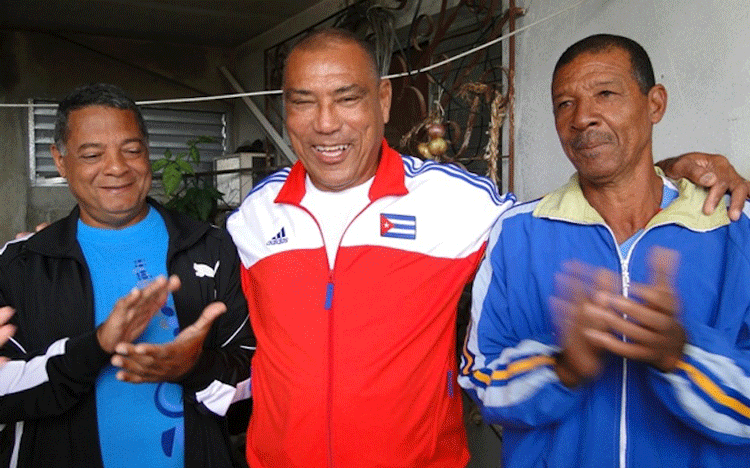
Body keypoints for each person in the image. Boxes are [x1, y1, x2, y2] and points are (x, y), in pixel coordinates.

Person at [226, 28, 749, 468]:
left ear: (382, 101)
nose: (325, 123)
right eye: (303, 101)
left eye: (346, 97)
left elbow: (611, 178)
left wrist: (675, 168)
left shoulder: (465, 204)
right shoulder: (253, 216)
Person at [459, 34, 750, 468]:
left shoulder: (732, 229)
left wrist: (680, 358)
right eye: (564, 104)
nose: (582, 118)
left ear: (655, 104)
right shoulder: (519, 234)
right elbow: (480, 381)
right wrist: (562, 367)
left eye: (605, 94)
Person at [0, 83, 254, 468]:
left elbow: (255, 374)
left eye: (132, 150)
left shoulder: (213, 249)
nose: (117, 167)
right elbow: (7, 393)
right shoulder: (22, 264)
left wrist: (194, 367)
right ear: (60, 160)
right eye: (92, 154)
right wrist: (96, 347)